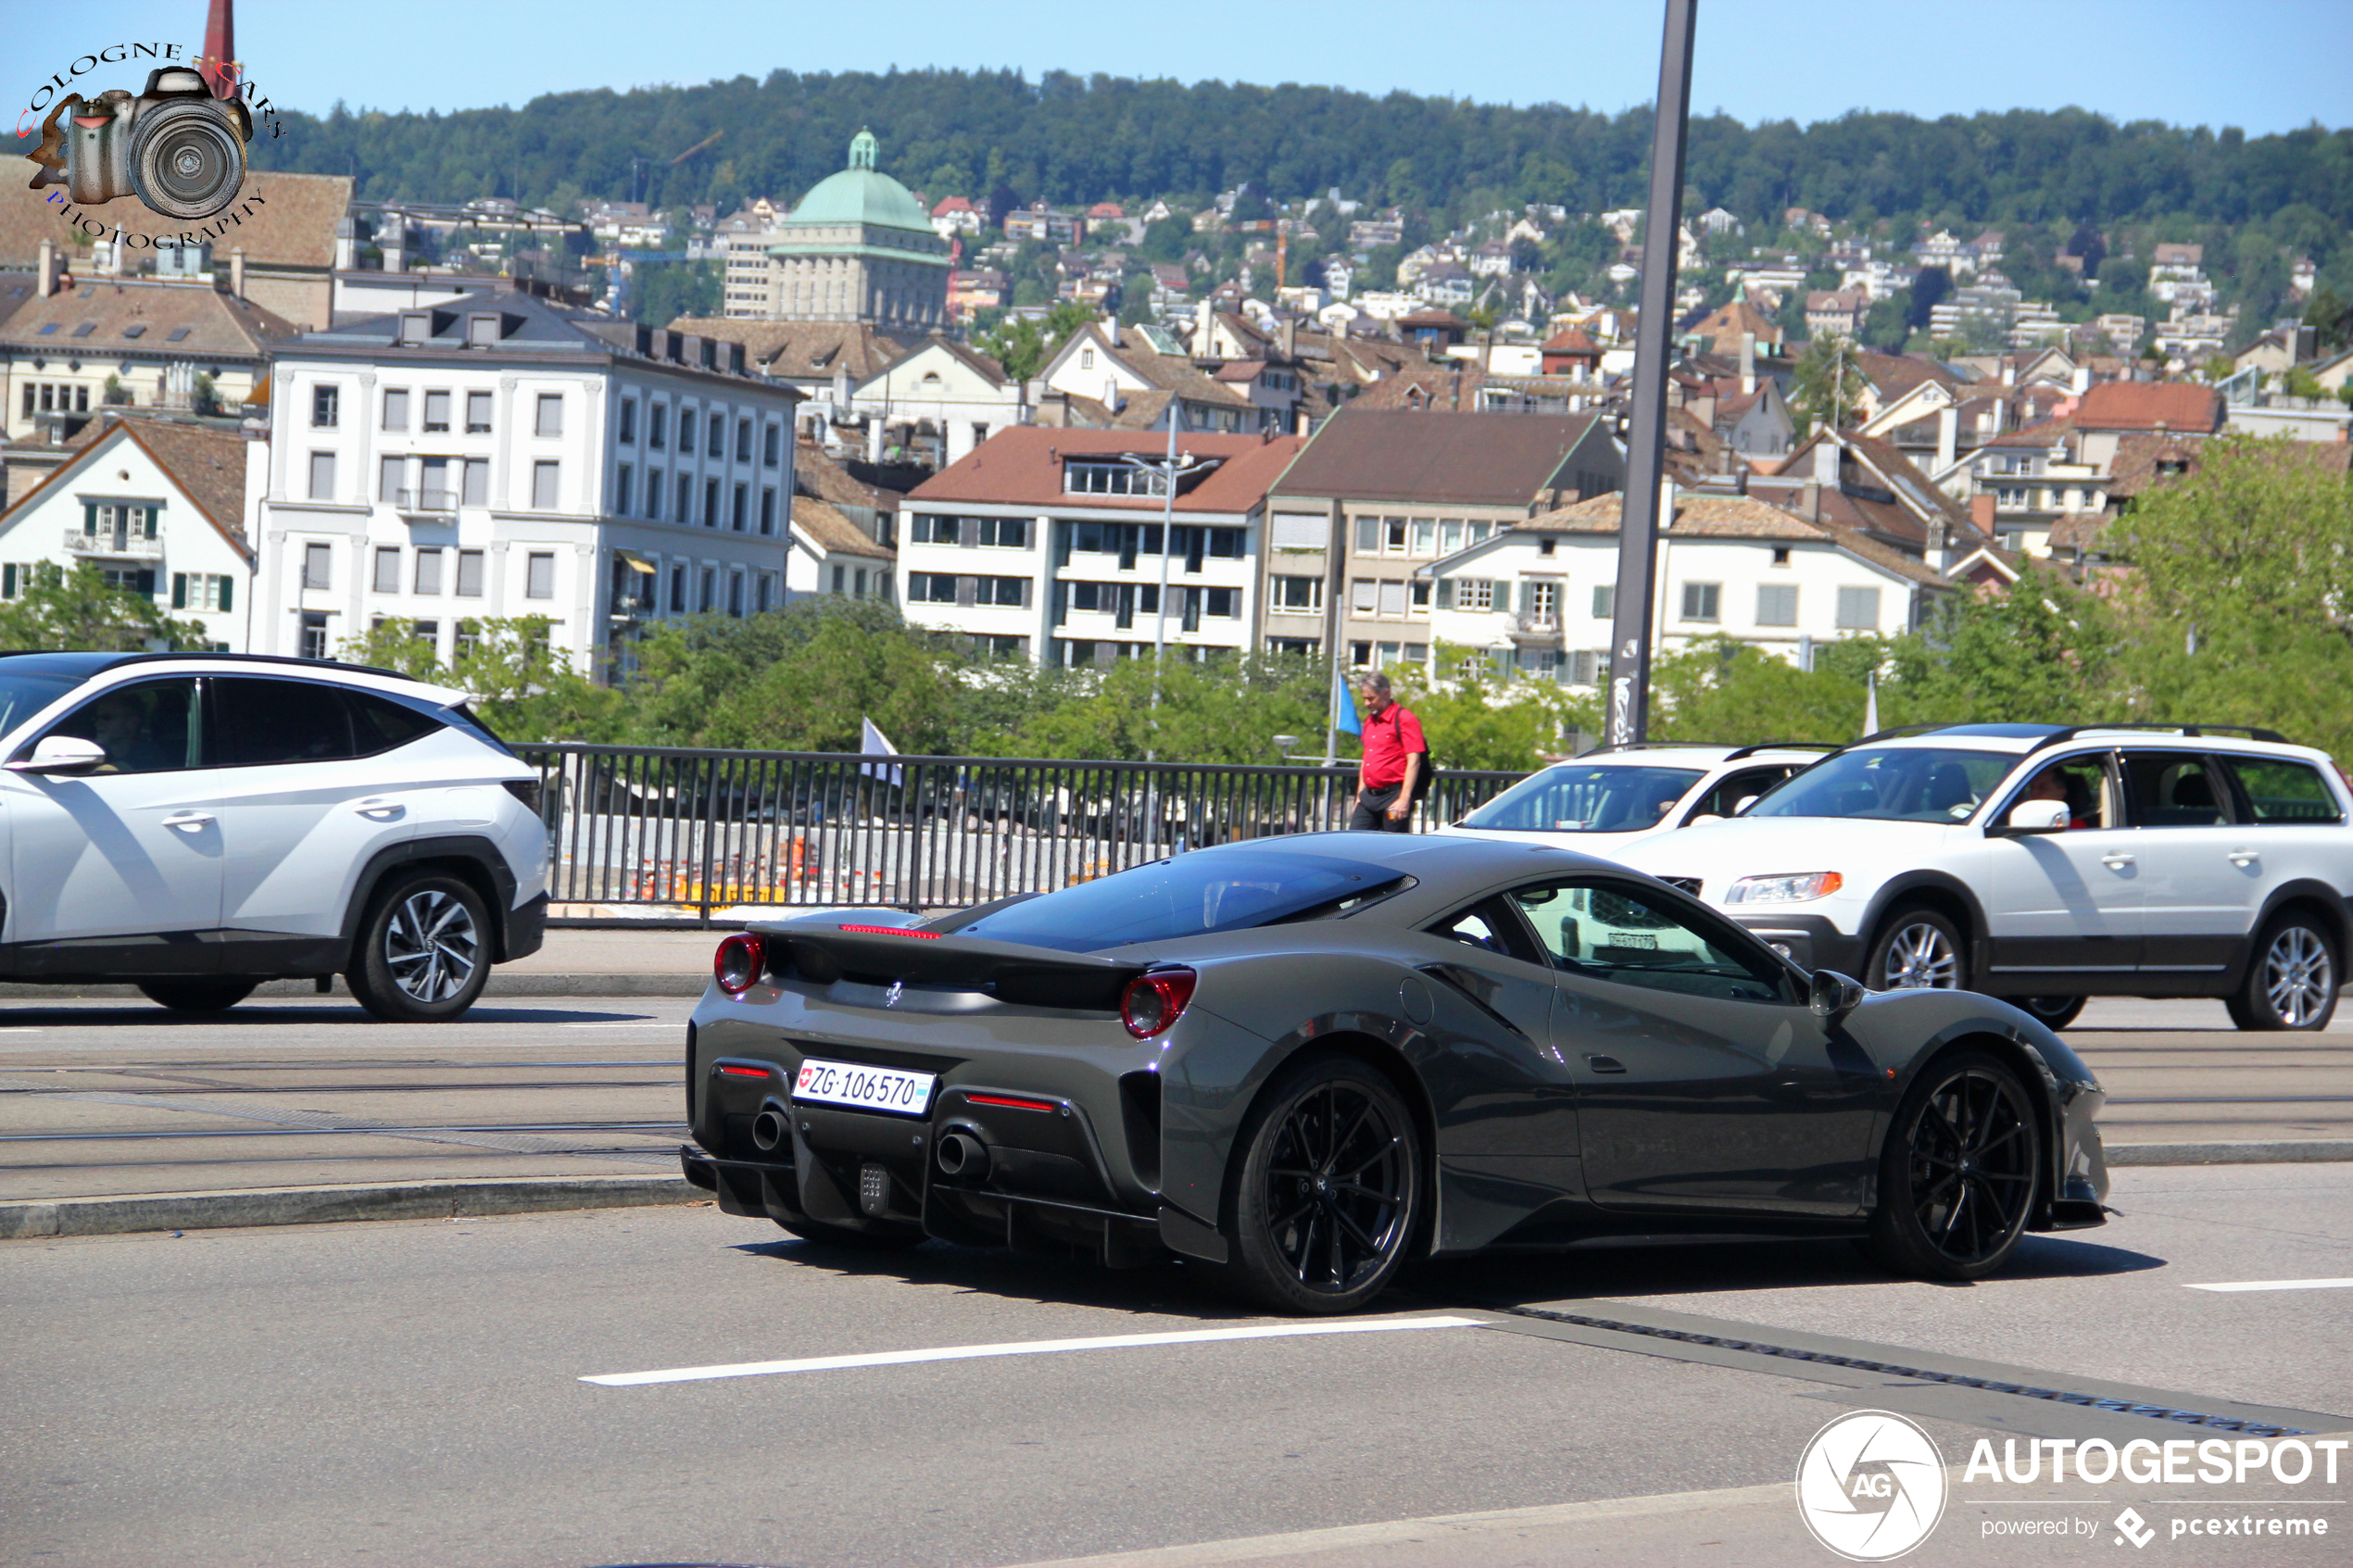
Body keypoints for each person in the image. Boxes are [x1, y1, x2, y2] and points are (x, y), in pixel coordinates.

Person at [1349, 671, 1428, 833]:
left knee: (1391, 845)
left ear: (1385, 693)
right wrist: (1359, 796)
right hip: (1369, 796)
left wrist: (1404, 799)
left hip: (1393, 797)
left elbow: (1414, 761)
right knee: (1354, 841)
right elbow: (1367, 760)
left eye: (1371, 698)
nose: (1367, 703)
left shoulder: (1404, 718)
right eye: (1364, 698)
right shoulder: (1370, 721)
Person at [2022, 765, 2092, 830]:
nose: (2033, 793)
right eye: (2031, 787)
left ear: (2061, 793)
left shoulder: (2074, 827)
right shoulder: (2024, 819)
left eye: (2042, 788)